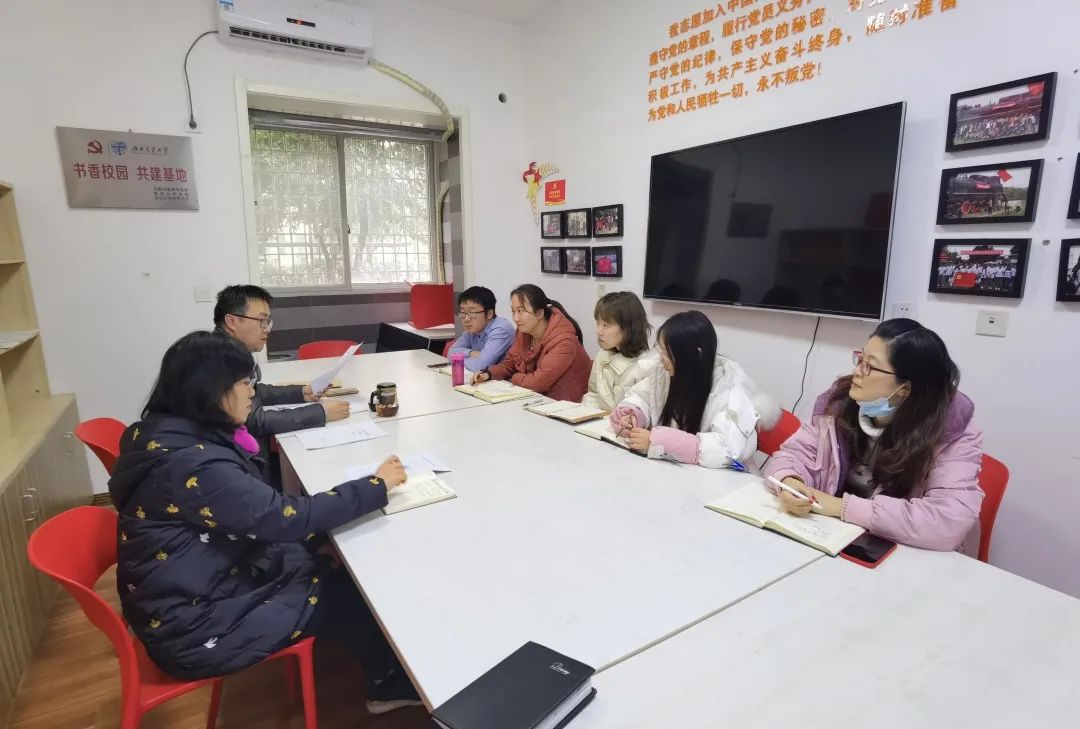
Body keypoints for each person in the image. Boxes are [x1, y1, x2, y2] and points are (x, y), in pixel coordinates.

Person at [108, 332, 421, 713]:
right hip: (194, 627)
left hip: (185, 589)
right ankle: (385, 685)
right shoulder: (195, 465)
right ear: (210, 391)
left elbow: (259, 515)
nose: (253, 393)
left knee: (327, 553)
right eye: (245, 383)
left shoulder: (162, 433)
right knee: (353, 590)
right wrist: (376, 485)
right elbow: (286, 519)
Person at [764, 319, 984, 551]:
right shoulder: (839, 403)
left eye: (869, 366)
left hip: (904, 553)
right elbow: (793, 455)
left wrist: (841, 507)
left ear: (904, 388)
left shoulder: (953, 433)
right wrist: (791, 483)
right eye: (860, 359)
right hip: (833, 537)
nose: (857, 371)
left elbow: (946, 521)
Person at [609, 310, 779, 466]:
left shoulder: (728, 390)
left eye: (667, 353)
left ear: (695, 356)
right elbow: (642, 397)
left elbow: (727, 449)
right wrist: (633, 415)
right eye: (661, 350)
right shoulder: (665, 372)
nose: (662, 359)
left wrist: (659, 442)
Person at [213, 285, 348, 451]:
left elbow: (257, 391)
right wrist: (321, 412)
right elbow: (256, 422)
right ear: (232, 322)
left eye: (268, 322)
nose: (267, 329)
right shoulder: (223, 359)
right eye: (262, 321)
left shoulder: (227, 349)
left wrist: (301, 392)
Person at [473, 284, 591, 401]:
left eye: (520, 311)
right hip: (536, 398)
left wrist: (514, 378)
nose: (515, 318)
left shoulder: (564, 341)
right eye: (513, 311)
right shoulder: (524, 330)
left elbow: (538, 383)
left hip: (565, 404)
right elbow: (510, 364)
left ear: (539, 313)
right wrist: (488, 374)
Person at [582, 291, 654, 411]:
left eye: (606, 325)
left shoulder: (646, 365)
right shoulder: (603, 355)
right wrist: (584, 413)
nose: (598, 331)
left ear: (628, 328)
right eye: (598, 323)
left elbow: (639, 412)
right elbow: (593, 394)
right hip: (597, 419)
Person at [447, 286, 516, 373]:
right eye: (463, 312)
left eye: (472, 313)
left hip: (505, 380)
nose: (466, 319)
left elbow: (481, 366)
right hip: (481, 378)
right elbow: (450, 353)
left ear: (489, 314)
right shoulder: (472, 330)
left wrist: (458, 360)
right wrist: (471, 353)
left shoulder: (501, 330)